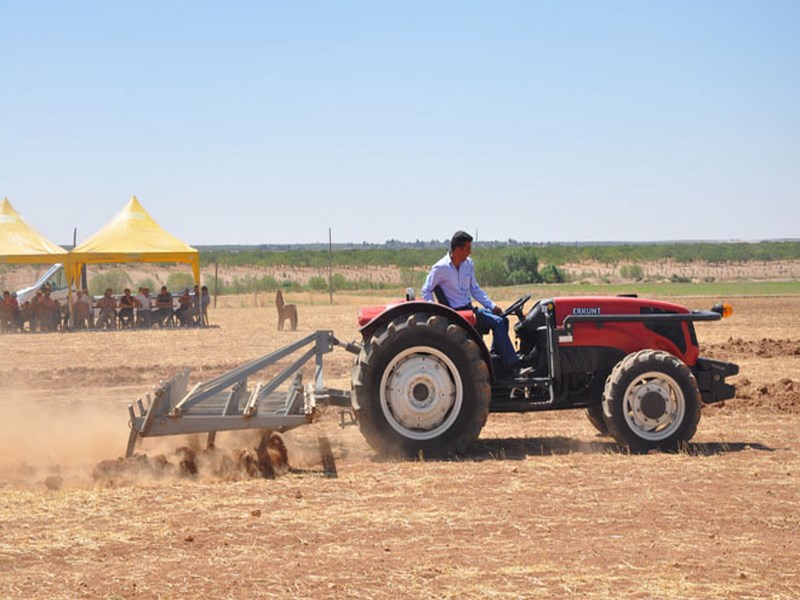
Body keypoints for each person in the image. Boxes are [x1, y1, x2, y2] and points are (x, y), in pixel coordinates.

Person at [421, 230, 518, 371]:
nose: (470, 252)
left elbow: (475, 289)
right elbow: (426, 289)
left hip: (469, 309)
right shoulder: (441, 268)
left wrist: (492, 306)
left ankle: (495, 359)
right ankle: (512, 364)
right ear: (457, 249)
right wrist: (436, 310)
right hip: (457, 314)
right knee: (497, 323)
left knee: (502, 319)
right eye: (467, 249)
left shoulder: (468, 264)